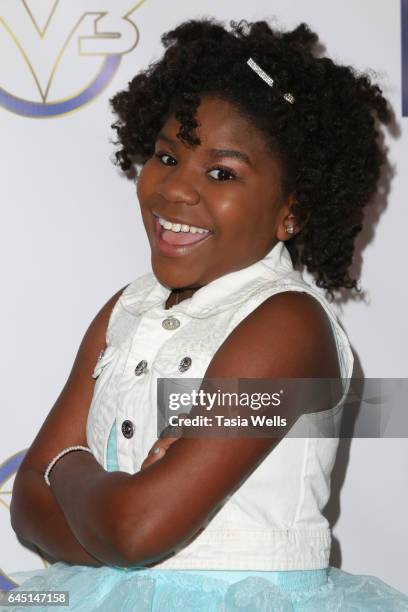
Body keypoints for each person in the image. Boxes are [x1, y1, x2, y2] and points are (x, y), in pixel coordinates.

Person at [4, 16, 408, 612]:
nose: (176, 190)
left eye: (222, 173)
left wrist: (67, 468)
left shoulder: (287, 327)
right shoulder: (126, 308)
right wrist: (115, 506)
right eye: (167, 157)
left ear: (290, 213)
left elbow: (138, 530)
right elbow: (29, 510)